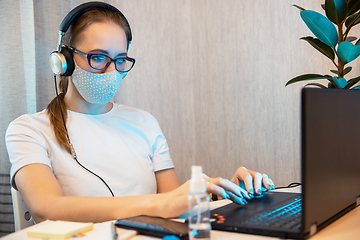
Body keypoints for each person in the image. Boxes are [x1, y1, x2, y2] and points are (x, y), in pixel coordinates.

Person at [5, 2, 275, 224]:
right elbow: (47, 208)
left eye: (120, 59)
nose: (112, 70)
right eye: (98, 57)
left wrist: (226, 192)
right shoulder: (28, 129)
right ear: (63, 60)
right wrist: (160, 203)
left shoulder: (144, 122)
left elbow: (174, 204)